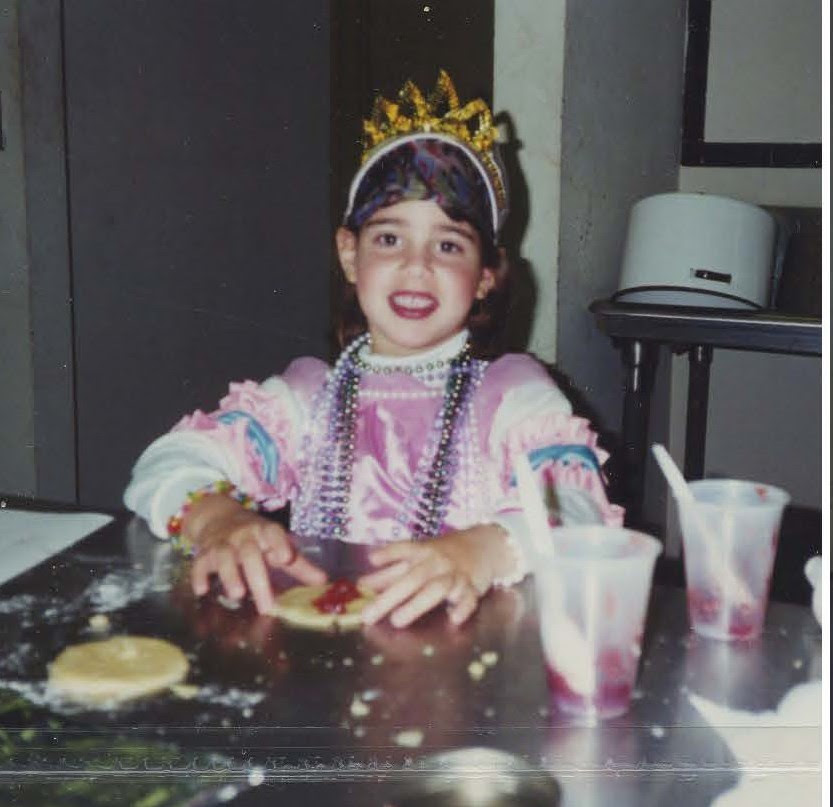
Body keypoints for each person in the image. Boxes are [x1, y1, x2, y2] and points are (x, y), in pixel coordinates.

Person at [124, 72, 623, 629]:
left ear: (485, 277)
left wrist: (481, 551)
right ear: (349, 254)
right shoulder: (307, 396)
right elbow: (166, 462)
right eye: (389, 238)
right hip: (324, 660)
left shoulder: (513, 393)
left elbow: (580, 510)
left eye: (448, 244)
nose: (417, 265)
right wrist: (216, 519)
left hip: (468, 661)